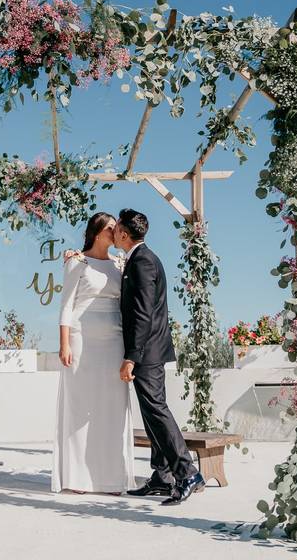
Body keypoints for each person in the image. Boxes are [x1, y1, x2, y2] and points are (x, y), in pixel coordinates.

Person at [115, 209, 204, 505]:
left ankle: (187, 472)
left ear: (125, 234)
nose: (113, 233)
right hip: (151, 349)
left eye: (116, 229)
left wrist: (131, 356)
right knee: (152, 411)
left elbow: (142, 313)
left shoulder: (141, 262)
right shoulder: (142, 258)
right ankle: (163, 476)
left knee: (156, 410)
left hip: (147, 351)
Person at [53, 212, 135, 495]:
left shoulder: (120, 263)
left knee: (112, 410)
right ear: (98, 232)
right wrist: (64, 344)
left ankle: (111, 479)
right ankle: (77, 479)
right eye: (113, 228)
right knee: (79, 409)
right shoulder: (77, 262)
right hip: (80, 340)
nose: (117, 232)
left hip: (114, 342)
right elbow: (65, 306)